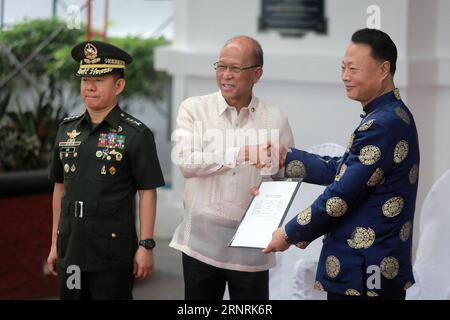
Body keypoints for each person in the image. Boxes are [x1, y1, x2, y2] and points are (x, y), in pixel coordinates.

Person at [263, 28, 420, 300]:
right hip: (376, 267)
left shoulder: (381, 124)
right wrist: (285, 159)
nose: (345, 77)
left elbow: (340, 196)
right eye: (343, 68)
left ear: (383, 70)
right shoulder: (392, 114)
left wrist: (288, 233)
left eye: (354, 69)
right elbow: (346, 170)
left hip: (364, 272)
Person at [170, 35, 295, 300]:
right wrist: (241, 153)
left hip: (250, 246)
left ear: (257, 74)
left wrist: (269, 197)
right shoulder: (194, 109)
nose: (226, 75)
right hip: (200, 242)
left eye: (235, 69)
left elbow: (284, 176)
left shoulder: (274, 117)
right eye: (221, 66)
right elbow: (186, 162)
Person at [46, 40, 165, 300]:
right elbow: (60, 189)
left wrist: (146, 245)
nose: (89, 86)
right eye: (85, 79)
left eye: (99, 79)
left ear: (119, 85)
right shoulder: (67, 130)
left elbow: (147, 192)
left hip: (111, 253)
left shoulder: (136, 134)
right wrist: (55, 243)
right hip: (72, 250)